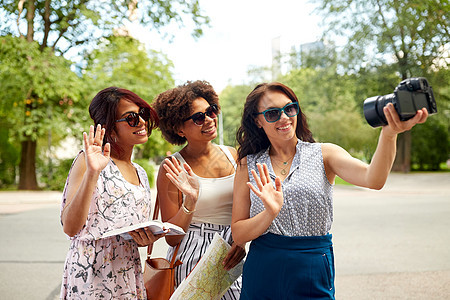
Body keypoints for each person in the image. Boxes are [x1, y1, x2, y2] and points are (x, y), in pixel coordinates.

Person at [231, 82, 428, 299]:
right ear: (257, 121)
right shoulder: (247, 164)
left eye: (290, 108)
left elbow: (374, 179)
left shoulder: (324, 154)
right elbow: (239, 233)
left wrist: (389, 135)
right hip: (263, 267)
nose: (284, 117)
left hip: (312, 266)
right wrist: (269, 213)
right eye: (272, 113)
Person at [60, 87, 164, 299]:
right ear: (109, 128)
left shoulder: (141, 173)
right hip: (91, 274)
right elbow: (70, 227)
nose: (142, 122)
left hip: (127, 272)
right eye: (131, 118)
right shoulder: (87, 161)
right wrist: (92, 172)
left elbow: (130, 230)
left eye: (142, 114)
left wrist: (144, 239)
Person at [153, 80, 246, 299]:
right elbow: (172, 239)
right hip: (192, 254)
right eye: (198, 117)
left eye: (211, 111)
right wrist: (190, 201)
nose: (209, 119)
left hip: (233, 250)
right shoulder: (172, 167)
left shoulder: (233, 156)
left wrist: (240, 241)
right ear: (179, 128)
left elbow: (246, 208)